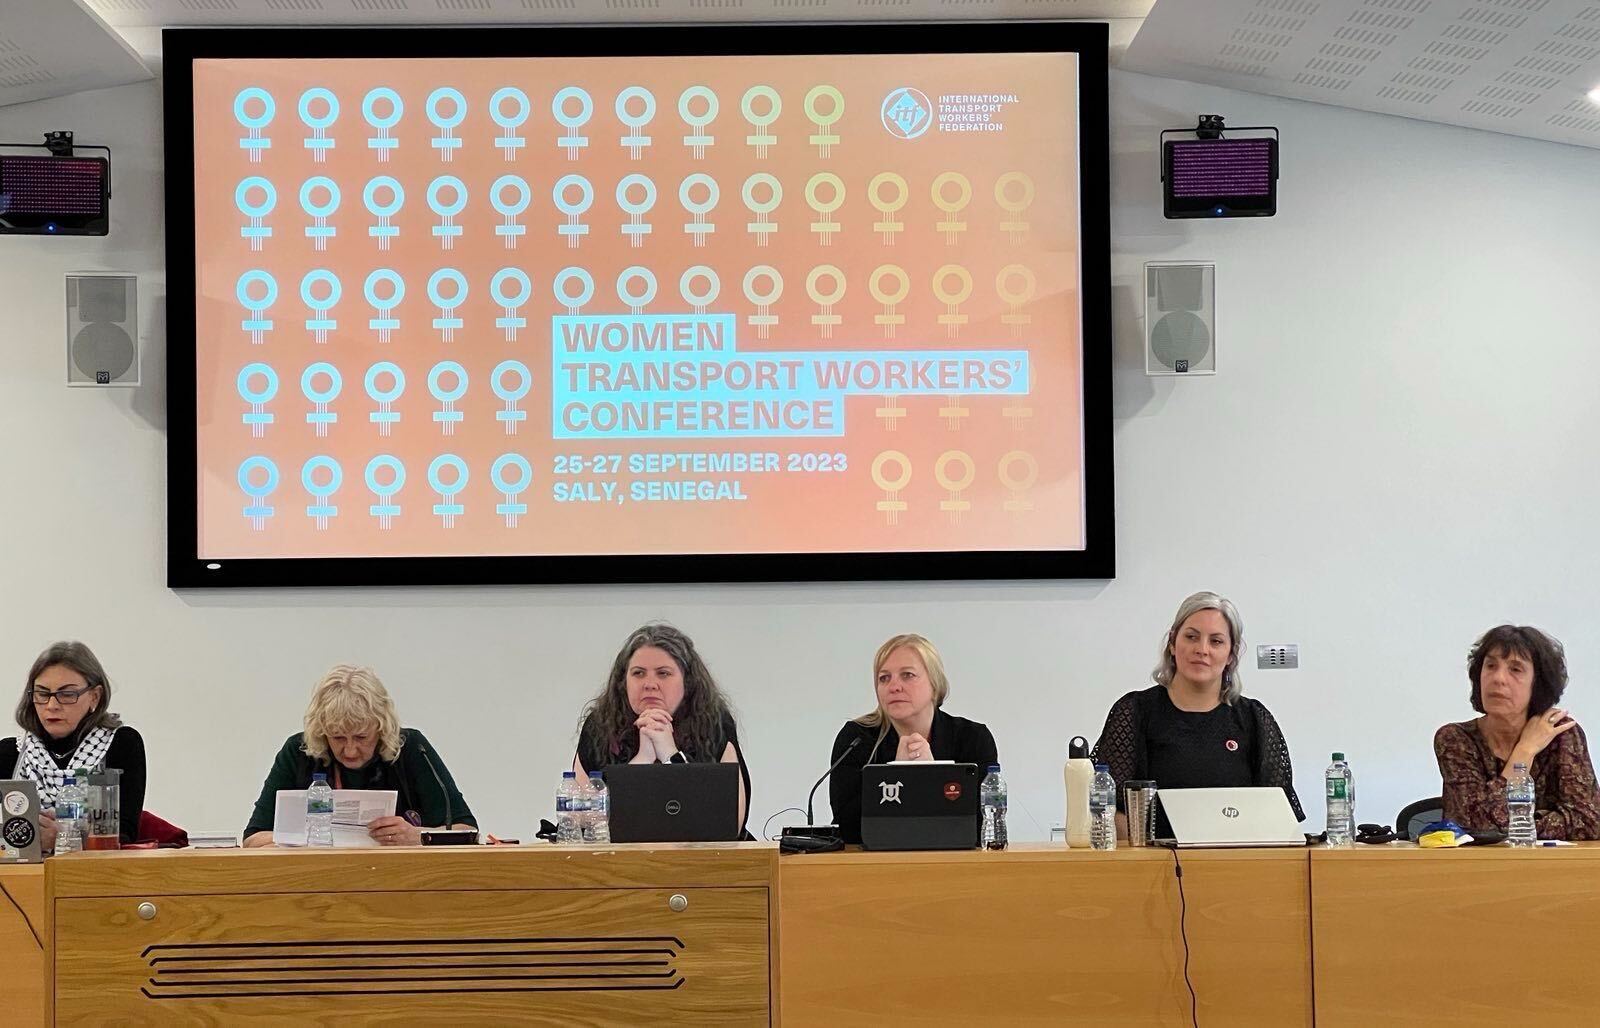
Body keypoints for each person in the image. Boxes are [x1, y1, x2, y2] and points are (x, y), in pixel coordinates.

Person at [1092, 592, 1303, 836]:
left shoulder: (1254, 718)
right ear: (1172, 643)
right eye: (1191, 637)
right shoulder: (1134, 712)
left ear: (1231, 655)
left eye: (1216, 641)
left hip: (1238, 862)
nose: (1202, 650)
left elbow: (1279, 811)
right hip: (1155, 864)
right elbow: (1107, 810)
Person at [243, 665, 476, 847]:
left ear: (382, 728)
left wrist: (418, 836)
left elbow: (467, 832)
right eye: (338, 738)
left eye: (362, 737)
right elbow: (253, 839)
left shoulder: (411, 748)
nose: (351, 751)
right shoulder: (299, 752)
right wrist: (309, 837)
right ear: (322, 732)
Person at [574, 624, 750, 834]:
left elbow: (731, 824)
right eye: (638, 673)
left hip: (701, 861)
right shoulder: (600, 725)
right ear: (624, 682)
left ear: (688, 682)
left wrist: (670, 753)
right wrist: (642, 760)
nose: (650, 684)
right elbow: (582, 824)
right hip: (617, 862)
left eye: (663, 673)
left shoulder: (714, 723)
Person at [828, 634, 998, 845]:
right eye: (884, 678)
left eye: (907, 675)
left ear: (935, 684)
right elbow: (848, 828)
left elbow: (982, 826)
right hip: (874, 869)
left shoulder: (973, 738)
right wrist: (896, 773)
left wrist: (932, 776)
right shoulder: (857, 738)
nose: (894, 686)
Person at [1434, 625, 1600, 840]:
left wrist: (1514, 827)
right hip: (1476, 869)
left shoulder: (1561, 734)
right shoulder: (1455, 739)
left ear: (1537, 683)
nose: (1498, 678)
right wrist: (1525, 751)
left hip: (1550, 869)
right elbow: (1475, 826)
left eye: (1515, 669)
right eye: (1490, 666)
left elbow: (1589, 822)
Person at [2, 641, 146, 850]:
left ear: (94, 696)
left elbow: (125, 834)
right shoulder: (11, 753)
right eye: (42, 694)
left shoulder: (121, 744)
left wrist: (63, 838)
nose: (52, 706)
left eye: (67, 694)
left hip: (97, 873)